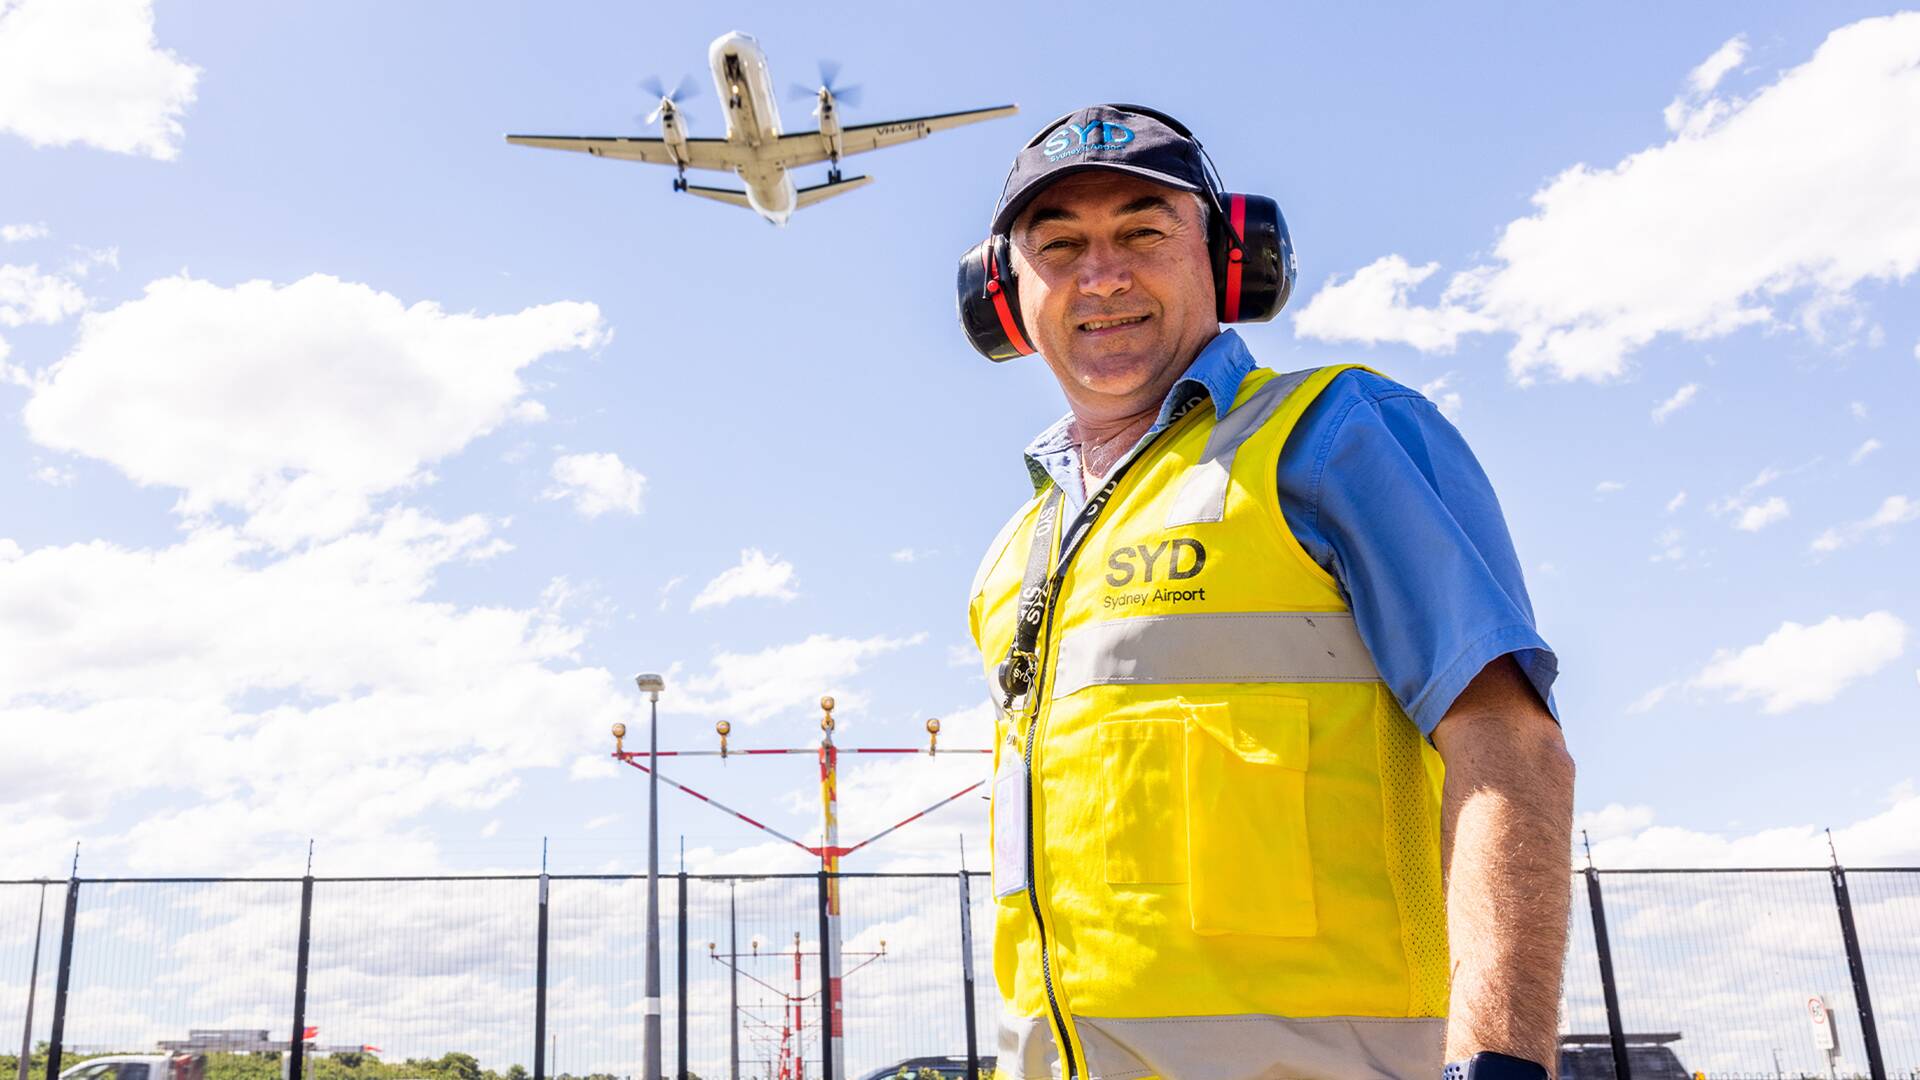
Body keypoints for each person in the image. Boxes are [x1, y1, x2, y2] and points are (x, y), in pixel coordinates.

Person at [960, 104, 1575, 1080]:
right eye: (1061, 244)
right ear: (1004, 293)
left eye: (1143, 232)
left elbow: (1511, 747)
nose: (1102, 275)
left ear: (1229, 259)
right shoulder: (1014, 555)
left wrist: (1499, 1064)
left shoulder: (1334, 436)